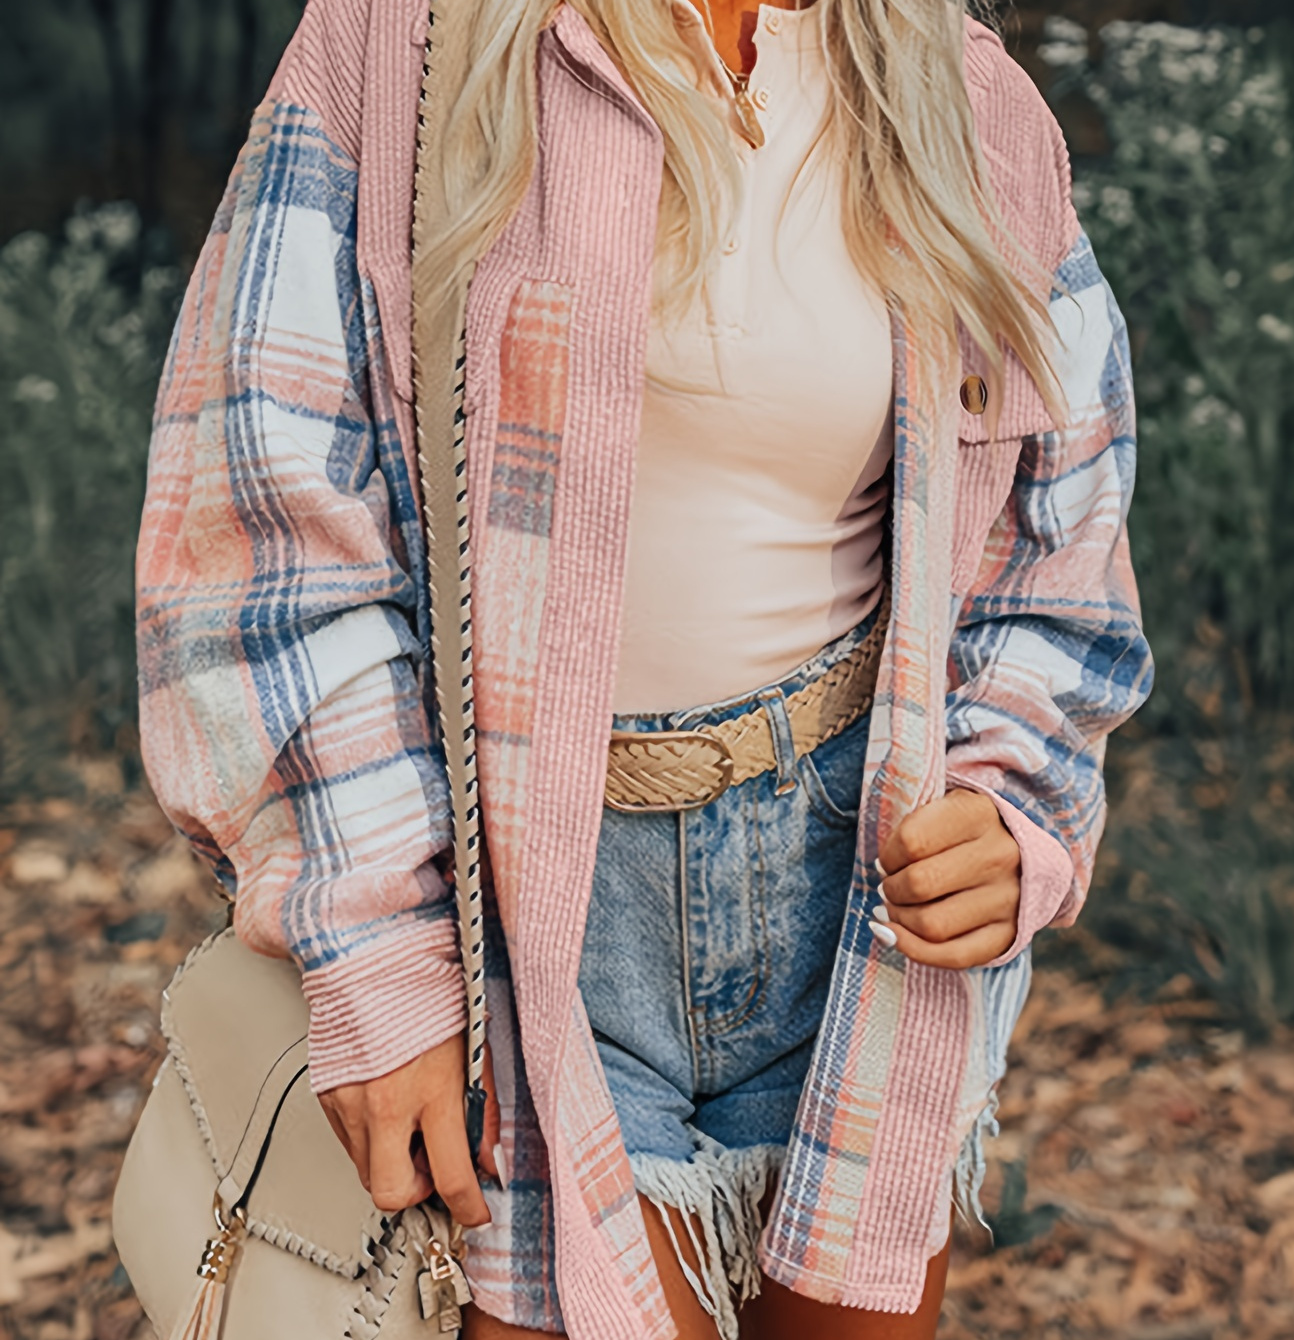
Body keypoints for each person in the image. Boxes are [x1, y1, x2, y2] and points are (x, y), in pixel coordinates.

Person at [134, 0, 1152, 1334]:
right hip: (524, 914)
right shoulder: (405, 43)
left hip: (861, 900)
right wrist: (378, 956)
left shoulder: (963, 100)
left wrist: (1012, 804)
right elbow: (265, 533)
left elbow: (1054, 531)